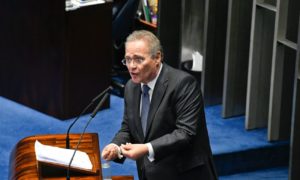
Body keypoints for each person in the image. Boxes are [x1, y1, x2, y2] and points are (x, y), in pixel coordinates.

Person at [102, 30, 218, 180]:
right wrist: (116, 147)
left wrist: (146, 149)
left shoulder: (183, 84)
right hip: (150, 174)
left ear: (157, 57)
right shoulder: (131, 87)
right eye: (128, 60)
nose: (131, 66)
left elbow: (185, 133)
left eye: (138, 59)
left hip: (184, 174)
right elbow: (128, 128)